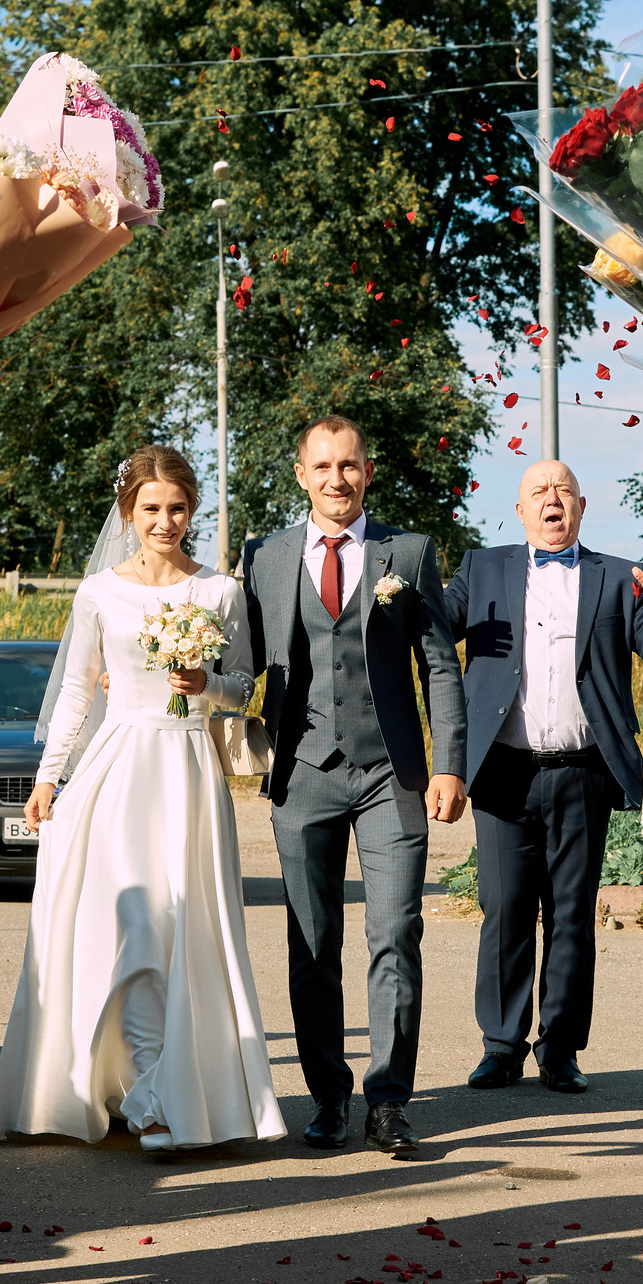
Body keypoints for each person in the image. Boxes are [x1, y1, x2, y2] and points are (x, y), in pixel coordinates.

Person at [0, 446, 284, 1154]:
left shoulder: (220, 591)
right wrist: (48, 778)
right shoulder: (100, 594)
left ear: (192, 510)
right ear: (129, 513)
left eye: (177, 507)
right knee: (138, 931)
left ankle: (167, 1090)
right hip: (118, 773)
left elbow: (243, 686)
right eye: (151, 508)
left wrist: (202, 682)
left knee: (186, 935)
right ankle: (147, 1097)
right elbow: (76, 694)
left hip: (187, 776)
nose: (166, 521)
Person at [239, 417, 465, 1157]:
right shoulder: (264, 558)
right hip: (300, 772)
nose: (338, 478)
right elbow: (238, 662)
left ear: (368, 471)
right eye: (324, 465)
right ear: (301, 473)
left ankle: (389, 1101)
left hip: (390, 776)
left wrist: (449, 762)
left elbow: (438, 663)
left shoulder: (407, 552)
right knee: (312, 941)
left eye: (351, 465)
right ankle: (329, 1096)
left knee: (396, 932)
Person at [444, 459, 643, 1095]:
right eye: (539, 493)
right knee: (503, 909)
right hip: (501, 769)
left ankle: (560, 1049)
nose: (552, 501)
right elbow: (437, 628)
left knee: (572, 914)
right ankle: (500, 1046)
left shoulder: (616, 576)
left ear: (581, 506)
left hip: (582, 769)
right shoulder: (483, 568)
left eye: (563, 492)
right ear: (521, 510)